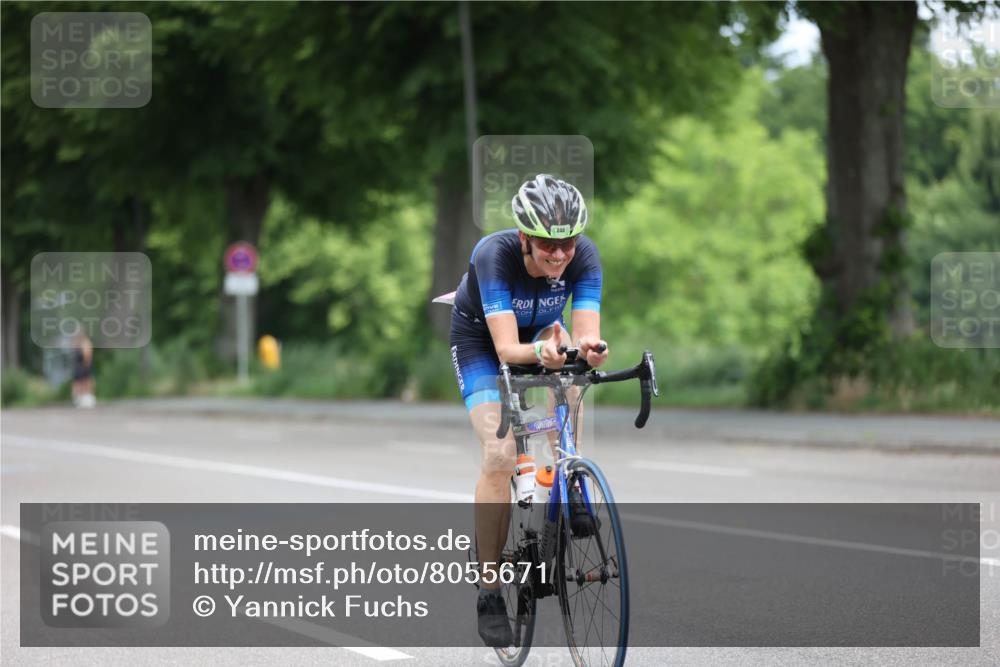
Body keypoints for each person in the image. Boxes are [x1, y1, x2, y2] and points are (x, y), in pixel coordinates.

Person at [449, 174, 608, 647]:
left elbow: (584, 335)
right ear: (524, 237)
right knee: (499, 454)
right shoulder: (492, 254)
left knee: (572, 380)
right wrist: (542, 355)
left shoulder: (586, 256)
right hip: (482, 340)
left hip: (541, 331)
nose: (558, 254)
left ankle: (570, 480)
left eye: (567, 243)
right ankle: (489, 589)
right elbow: (505, 348)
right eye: (545, 244)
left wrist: (591, 351)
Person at [71, 332, 96, 408]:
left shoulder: (85, 343)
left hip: (83, 366)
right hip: (78, 367)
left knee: (86, 382)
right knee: (78, 383)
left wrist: (86, 367)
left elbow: (87, 357)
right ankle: (78, 399)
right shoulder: (77, 343)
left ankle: (87, 399)